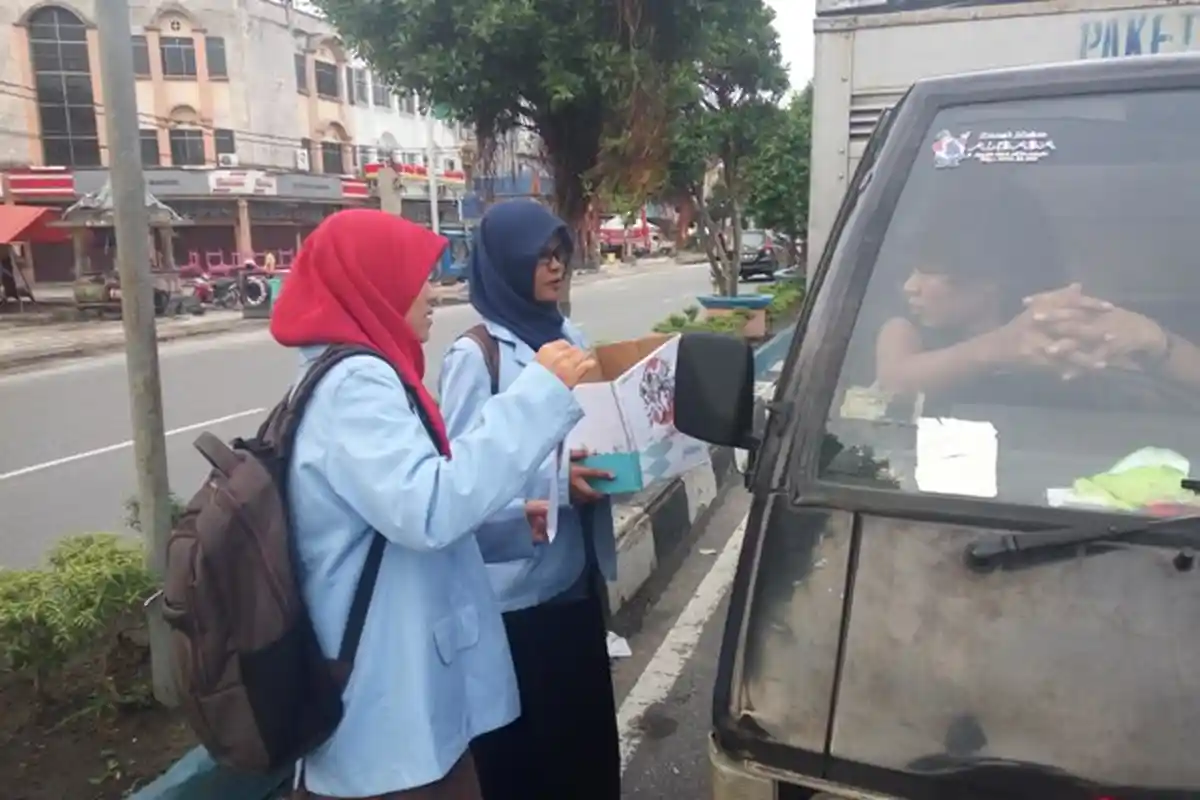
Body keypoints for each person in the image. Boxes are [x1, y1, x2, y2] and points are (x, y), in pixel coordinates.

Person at [268, 208, 597, 800]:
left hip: (402, 715)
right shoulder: (354, 384)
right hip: (385, 727)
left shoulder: (362, 375)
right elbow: (429, 510)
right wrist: (539, 395)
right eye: (416, 277)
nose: (433, 293)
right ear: (374, 285)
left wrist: (507, 524)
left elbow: (401, 511)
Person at [439, 200, 622, 800]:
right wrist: (555, 489)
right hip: (513, 602)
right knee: (525, 764)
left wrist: (622, 457)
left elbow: (589, 426)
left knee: (586, 747)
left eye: (560, 254)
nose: (554, 267)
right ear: (505, 264)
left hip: (575, 578)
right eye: (540, 256)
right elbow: (464, 482)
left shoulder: (569, 336)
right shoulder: (477, 356)